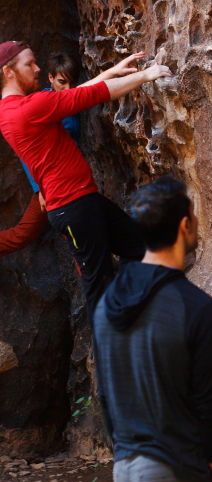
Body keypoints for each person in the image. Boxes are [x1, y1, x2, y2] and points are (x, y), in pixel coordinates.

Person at [93, 177, 212, 482]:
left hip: (127, 470)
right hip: (176, 475)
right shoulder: (197, 310)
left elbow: (107, 395)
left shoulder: (107, 305)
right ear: (185, 226)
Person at [0, 40, 170, 315]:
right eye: (29, 64)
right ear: (9, 72)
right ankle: (111, 352)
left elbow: (71, 96)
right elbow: (89, 97)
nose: (38, 68)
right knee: (98, 285)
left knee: (140, 245)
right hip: (72, 208)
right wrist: (145, 75)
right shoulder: (28, 108)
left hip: (81, 200)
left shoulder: (11, 110)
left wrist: (111, 71)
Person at [0, 50, 142, 258]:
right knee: (28, 233)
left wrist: (112, 71)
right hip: (56, 191)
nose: (66, 87)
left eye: (70, 82)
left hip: (74, 188)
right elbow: (27, 155)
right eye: (60, 81)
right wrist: (40, 188)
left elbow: (81, 92)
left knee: (115, 245)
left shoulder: (52, 100)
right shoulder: (36, 104)